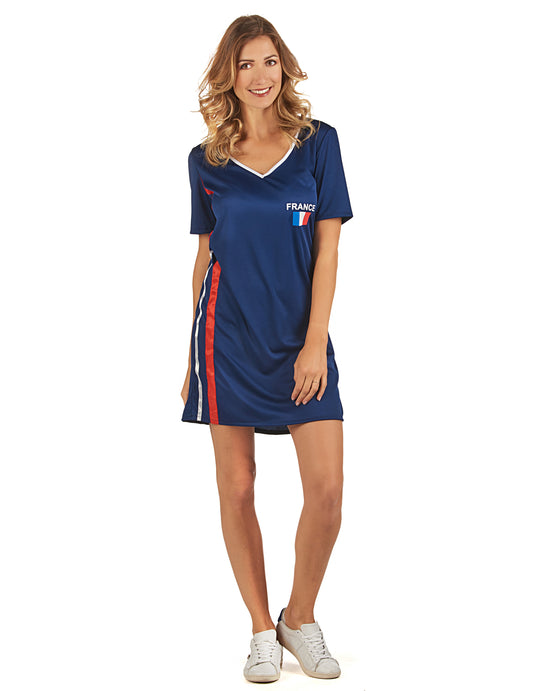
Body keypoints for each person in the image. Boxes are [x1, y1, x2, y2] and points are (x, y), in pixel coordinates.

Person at [180, 14, 353, 683]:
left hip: (298, 340)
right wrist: (191, 357)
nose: (259, 76)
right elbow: (205, 258)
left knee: (327, 490)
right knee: (237, 486)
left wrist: (313, 344)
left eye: (269, 61)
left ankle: (297, 617)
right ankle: (259, 627)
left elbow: (328, 251)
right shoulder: (205, 161)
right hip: (223, 339)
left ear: (285, 67)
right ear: (229, 75)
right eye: (245, 64)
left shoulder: (318, 144)